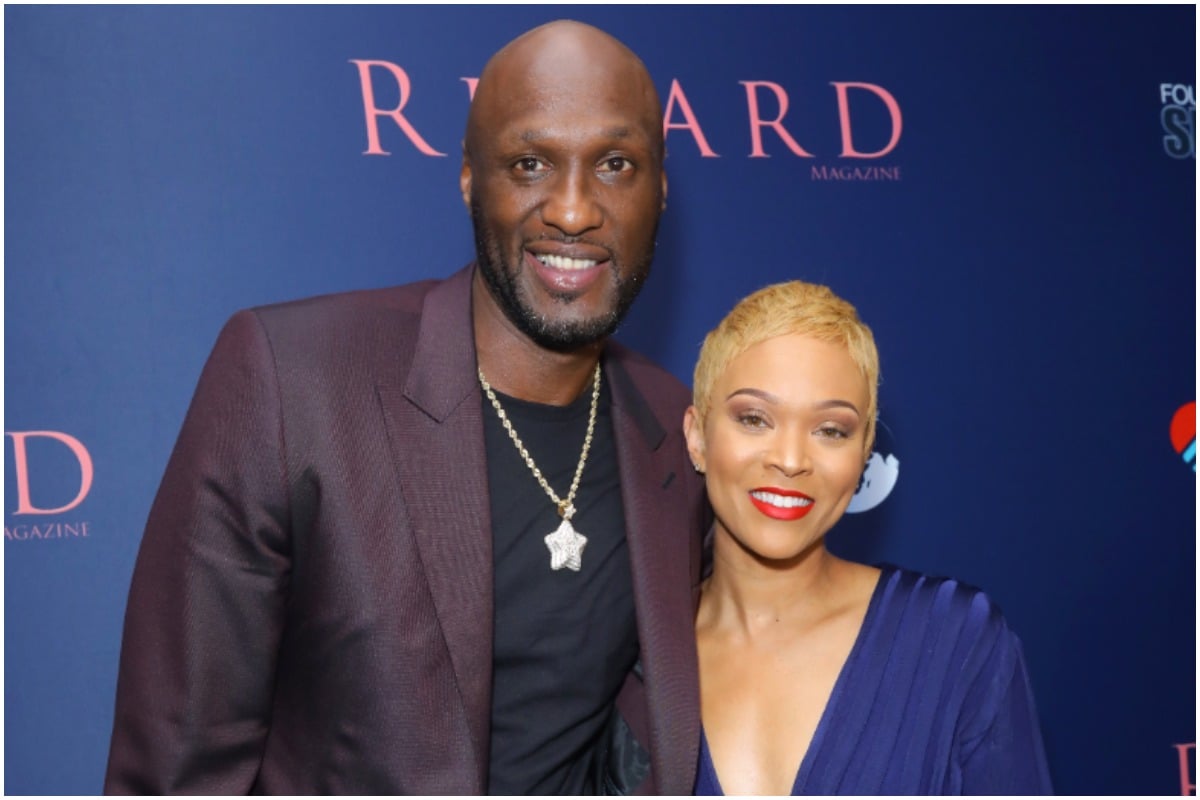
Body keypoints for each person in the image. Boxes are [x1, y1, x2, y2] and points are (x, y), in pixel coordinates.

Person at [104, 20, 708, 795]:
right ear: (468, 179)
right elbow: (175, 767)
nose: (572, 209)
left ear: (659, 188)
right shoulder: (293, 381)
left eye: (614, 165)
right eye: (530, 164)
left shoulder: (681, 428)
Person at [683, 281, 1053, 795]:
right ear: (697, 437)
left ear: (863, 456)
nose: (790, 459)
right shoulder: (635, 659)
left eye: (830, 430)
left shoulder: (955, 643)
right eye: (754, 419)